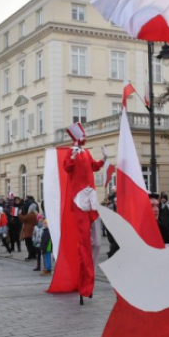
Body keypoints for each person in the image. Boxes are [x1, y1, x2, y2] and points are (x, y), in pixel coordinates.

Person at [61, 122, 106, 304]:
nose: (85, 138)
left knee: (96, 242)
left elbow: (94, 166)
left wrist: (103, 159)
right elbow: (67, 167)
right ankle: (84, 283)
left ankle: (90, 278)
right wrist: (71, 155)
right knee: (84, 242)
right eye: (83, 136)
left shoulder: (86, 153)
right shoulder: (72, 152)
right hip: (80, 199)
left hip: (91, 197)